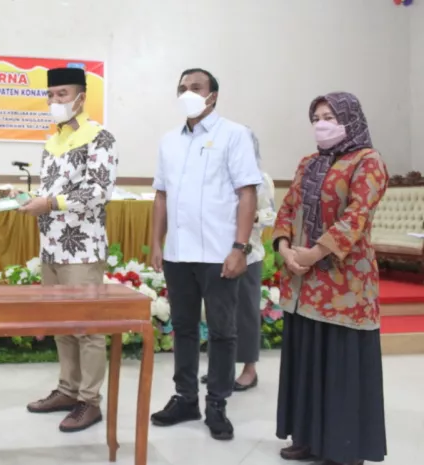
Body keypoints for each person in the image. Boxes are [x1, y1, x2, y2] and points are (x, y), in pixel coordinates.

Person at [273, 92, 387, 465]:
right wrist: (285, 248)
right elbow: (289, 207)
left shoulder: (368, 162)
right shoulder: (309, 162)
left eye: (330, 117)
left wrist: (315, 252)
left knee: (339, 362)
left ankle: (342, 447)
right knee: (307, 358)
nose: (321, 124)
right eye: (317, 118)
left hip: (344, 283)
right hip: (303, 282)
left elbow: (357, 215)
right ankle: (307, 437)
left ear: (351, 120)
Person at [149, 68, 261, 441]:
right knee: (181, 328)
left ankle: (217, 403)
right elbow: (161, 195)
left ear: (213, 95)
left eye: (195, 87)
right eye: (182, 88)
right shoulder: (169, 141)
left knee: (222, 331)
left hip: (219, 252)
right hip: (178, 254)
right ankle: (185, 399)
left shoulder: (234, 134)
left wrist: (240, 247)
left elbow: (247, 192)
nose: (188, 93)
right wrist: (156, 243)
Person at [21, 67, 118, 433]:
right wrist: (30, 200)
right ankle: (67, 390)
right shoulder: (51, 142)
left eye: (62, 94)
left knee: (87, 327)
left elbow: (99, 191)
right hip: (51, 248)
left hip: (82, 249)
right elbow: (52, 191)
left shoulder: (100, 137)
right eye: (51, 95)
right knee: (63, 323)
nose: (55, 101)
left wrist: (49, 203)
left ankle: (89, 401)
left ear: (81, 97)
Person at [200, 131, 276, 390]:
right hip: (217, 254)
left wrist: (251, 217)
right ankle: (221, 368)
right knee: (219, 313)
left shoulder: (261, 179)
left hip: (248, 255)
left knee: (245, 313)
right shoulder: (216, 177)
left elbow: (271, 215)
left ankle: (249, 370)